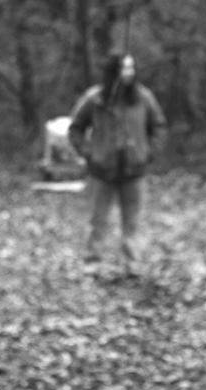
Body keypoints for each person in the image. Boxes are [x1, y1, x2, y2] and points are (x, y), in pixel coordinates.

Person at [68, 52, 167, 273]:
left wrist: (149, 152)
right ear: (114, 71)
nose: (129, 73)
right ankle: (92, 262)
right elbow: (75, 128)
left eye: (132, 68)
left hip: (135, 171)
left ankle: (131, 264)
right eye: (125, 68)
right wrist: (88, 152)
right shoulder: (96, 99)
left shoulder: (144, 98)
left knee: (132, 222)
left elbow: (158, 126)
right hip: (102, 171)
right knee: (98, 220)